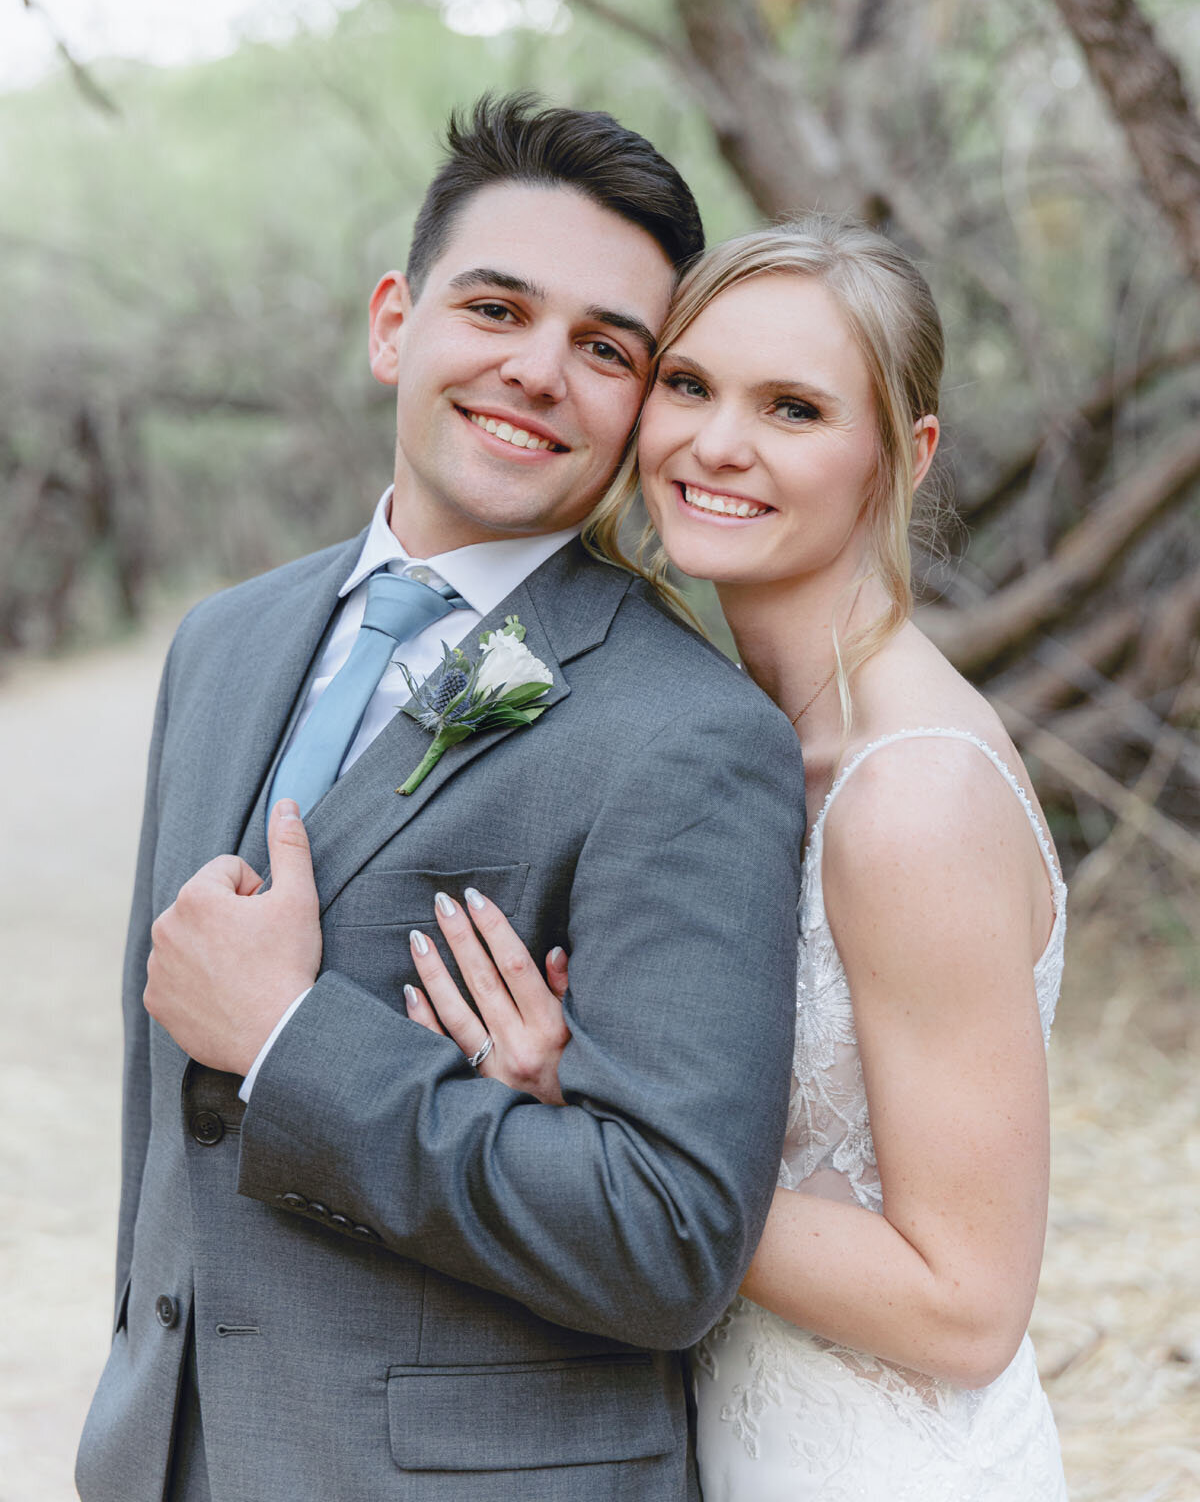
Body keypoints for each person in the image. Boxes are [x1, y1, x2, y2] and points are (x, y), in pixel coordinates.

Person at [75, 96, 808, 1502]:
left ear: (642, 406)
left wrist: (292, 1043)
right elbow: (157, 1121)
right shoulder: (220, 643)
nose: (540, 372)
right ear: (394, 325)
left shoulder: (692, 735)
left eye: (606, 349)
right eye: (496, 309)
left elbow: (669, 1245)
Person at [407, 216, 1070, 1500]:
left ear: (908, 454)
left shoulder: (909, 796)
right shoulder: (746, 735)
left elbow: (967, 1306)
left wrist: (595, 1121)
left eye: (794, 408)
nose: (717, 444)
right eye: (690, 386)